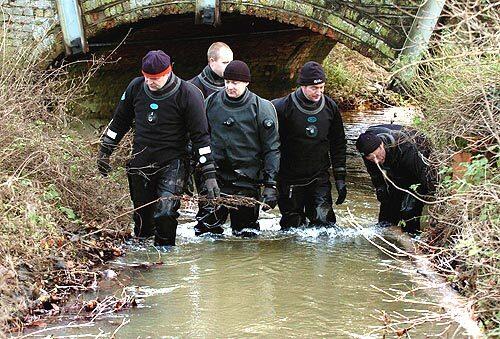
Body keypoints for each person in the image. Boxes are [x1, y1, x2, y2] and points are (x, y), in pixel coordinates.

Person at [97, 50, 220, 247]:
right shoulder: (135, 87)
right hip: (141, 161)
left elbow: (201, 137)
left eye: (156, 78)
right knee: (143, 217)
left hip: (173, 162)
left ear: (168, 72)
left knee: (165, 213)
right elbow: (119, 121)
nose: (151, 82)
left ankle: (165, 258)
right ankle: (143, 258)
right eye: (147, 77)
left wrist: (209, 174)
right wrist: (105, 149)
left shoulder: (188, 94)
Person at [194, 60, 280, 237]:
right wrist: (197, 170)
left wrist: (271, 184)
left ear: (246, 83)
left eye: (235, 83)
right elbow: (199, 138)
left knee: (245, 236)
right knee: (206, 233)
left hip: (246, 181)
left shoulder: (262, 108)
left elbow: (271, 148)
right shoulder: (210, 102)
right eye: (227, 82)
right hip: (215, 179)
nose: (230, 87)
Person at [272, 61, 347, 230]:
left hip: (318, 177)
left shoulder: (330, 107)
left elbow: (338, 143)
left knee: (325, 227)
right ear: (302, 86)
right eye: (314, 88)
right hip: (290, 179)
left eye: (322, 87)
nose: (319, 92)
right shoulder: (282, 107)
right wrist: (269, 181)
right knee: (293, 229)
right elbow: (270, 145)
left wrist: (340, 177)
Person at [355, 124, 434, 234]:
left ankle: (413, 239)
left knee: (408, 210)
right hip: (396, 167)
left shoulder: (407, 147)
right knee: (386, 211)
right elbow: (375, 174)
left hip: (418, 167)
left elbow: (427, 180)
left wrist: (434, 209)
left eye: (377, 156)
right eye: (371, 158)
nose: (376, 161)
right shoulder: (367, 147)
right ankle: (387, 238)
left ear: (381, 145)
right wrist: (381, 188)